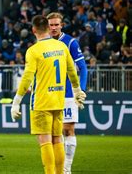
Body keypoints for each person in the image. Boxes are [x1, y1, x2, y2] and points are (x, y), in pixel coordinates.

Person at [10, 15, 86, 174]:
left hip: (42, 102)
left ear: (33, 30)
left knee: (45, 141)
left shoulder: (33, 51)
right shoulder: (61, 47)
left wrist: (16, 101)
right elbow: (72, 70)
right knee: (57, 139)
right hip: (59, 101)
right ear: (47, 28)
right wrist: (77, 90)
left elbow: (27, 77)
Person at [47, 12, 88, 174]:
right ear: (47, 26)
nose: (54, 28)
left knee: (68, 129)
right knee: (52, 133)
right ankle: (57, 167)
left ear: (61, 25)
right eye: (51, 25)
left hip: (68, 93)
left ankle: (66, 168)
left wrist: (81, 90)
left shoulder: (70, 42)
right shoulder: (44, 43)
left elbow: (83, 68)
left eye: (57, 24)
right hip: (49, 93)